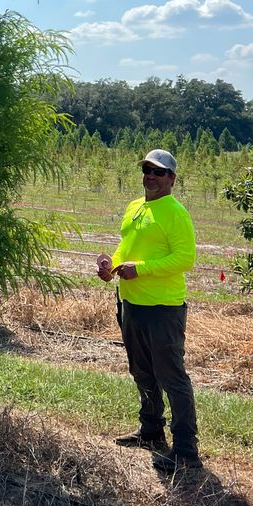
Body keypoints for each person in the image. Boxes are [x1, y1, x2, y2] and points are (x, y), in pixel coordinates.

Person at [96, 149, 201, 473]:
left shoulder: (175, 212)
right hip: (132, 304)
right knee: (142, 372)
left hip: (162, 309)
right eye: (147, 171)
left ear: (171, 178)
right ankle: (151, 430)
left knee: (172, 378)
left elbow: (185, 259)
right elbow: (126, 248)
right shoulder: (134, 207)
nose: (150, 177)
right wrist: (110, 266)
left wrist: (140, 269)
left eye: (158, 172)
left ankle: (186, 452)